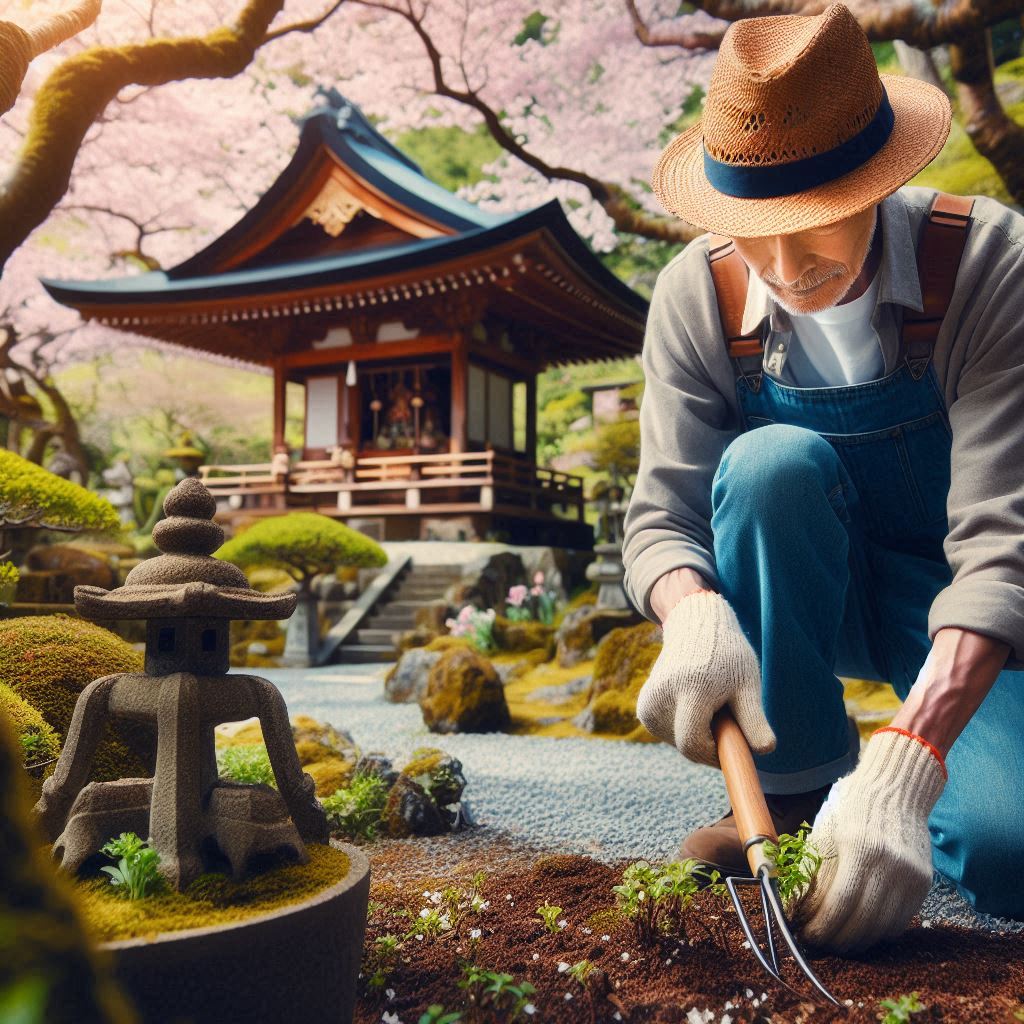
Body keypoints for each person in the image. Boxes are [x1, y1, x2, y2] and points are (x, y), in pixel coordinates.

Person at [621, 1, 1024, 954]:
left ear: (882, 182)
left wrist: (909, 761)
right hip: (815, 589)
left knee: (1011, 857)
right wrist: (691, 610)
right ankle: (797, 784)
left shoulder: (988, 263)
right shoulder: (698, 293)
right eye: (750, 229)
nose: (782, 268)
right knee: (766, 464)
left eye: (811, 227)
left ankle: (888, 790)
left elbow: (1004, 541)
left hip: (969, 609)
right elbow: (660, 517)